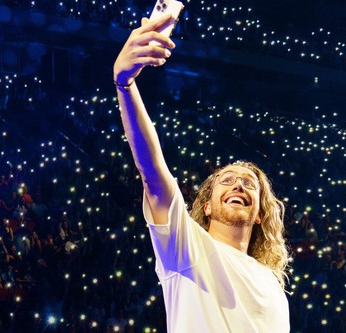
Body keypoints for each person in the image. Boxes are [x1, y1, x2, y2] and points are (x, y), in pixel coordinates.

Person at [112, 14, 290, 332]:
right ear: (206, 206)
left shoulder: (272, 281)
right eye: (228, 180)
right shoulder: (187, 247)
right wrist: (125, 85)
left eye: (249, 184)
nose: (239, 185)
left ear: (261, 213)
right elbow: (153, 174)